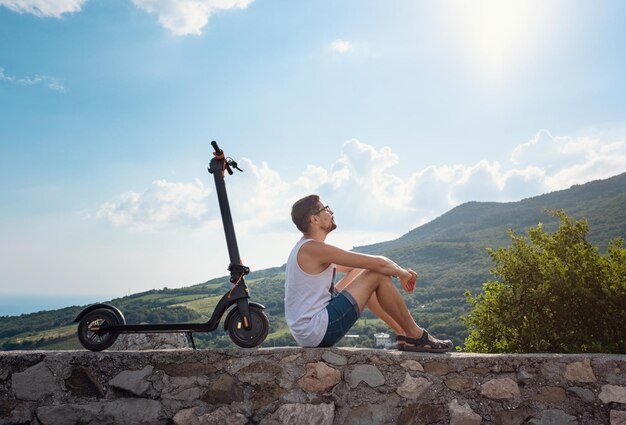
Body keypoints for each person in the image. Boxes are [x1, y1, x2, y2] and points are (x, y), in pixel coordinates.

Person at [284, 194, 453, 352]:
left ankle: (402, 332)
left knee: (364, 273)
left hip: (310, 330)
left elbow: (358, 269)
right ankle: (416, 335)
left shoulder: (305, 247)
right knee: (376, 274)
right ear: (314, 219)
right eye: (326, 209)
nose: (331, 212)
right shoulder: (313, 249)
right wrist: (404, 274)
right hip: (316, 330)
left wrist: (389, 270)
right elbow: (379, 263)